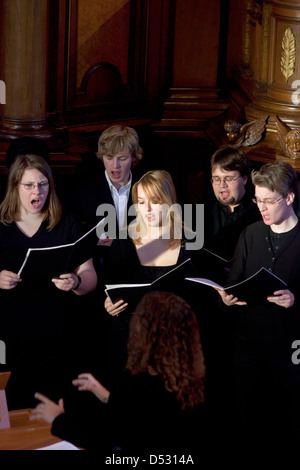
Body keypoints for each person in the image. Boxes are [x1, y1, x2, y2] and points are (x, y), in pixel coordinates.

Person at [31, 291, 207, 454]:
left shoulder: (140, 386)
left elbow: (103, 439)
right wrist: (107, 396)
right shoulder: (194, 383)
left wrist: (57, 419)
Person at [0, 154, 97, 410]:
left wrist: (76, 281)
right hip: (10, 338)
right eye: (29, 185)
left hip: (57, 337)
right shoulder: (1, 225)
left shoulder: (66, 222)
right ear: (15, 187)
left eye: (43, 184)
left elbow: (90, 277)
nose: (37, 191)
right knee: (13, 409)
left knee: (56, 411)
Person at [214, 160, 300, 448]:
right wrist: (226, 296)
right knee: (250, 421)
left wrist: (295, 299)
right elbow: (235, 280)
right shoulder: (251, 234)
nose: (261, 208)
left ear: (289, 198)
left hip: (290, 348)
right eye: (257, 200)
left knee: (287, 422)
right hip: (249, 345)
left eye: (268, 201)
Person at [103, 169, 204, 389]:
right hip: (130, 341)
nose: (146, 209)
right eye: (140, 201)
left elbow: (198, 302)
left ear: (168, 202)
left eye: (155, 201)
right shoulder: (123, 241)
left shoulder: (190, 243)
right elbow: (110, 287)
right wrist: (108, 303)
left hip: (174, 345)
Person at [203, 144, 260, 277]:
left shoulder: (261, 213)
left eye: (228, 178)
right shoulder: (198, 213)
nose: (222, 185)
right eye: (216, 179)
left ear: (245, 179)